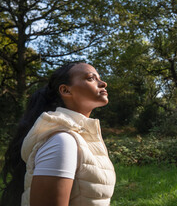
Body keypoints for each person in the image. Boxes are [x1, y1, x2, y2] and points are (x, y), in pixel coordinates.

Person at [0, 62, 116, 206]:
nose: (103, 83)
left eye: (100, 78)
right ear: (66, 90)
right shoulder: (62, 141)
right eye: (91, 78)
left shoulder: (79, 137)